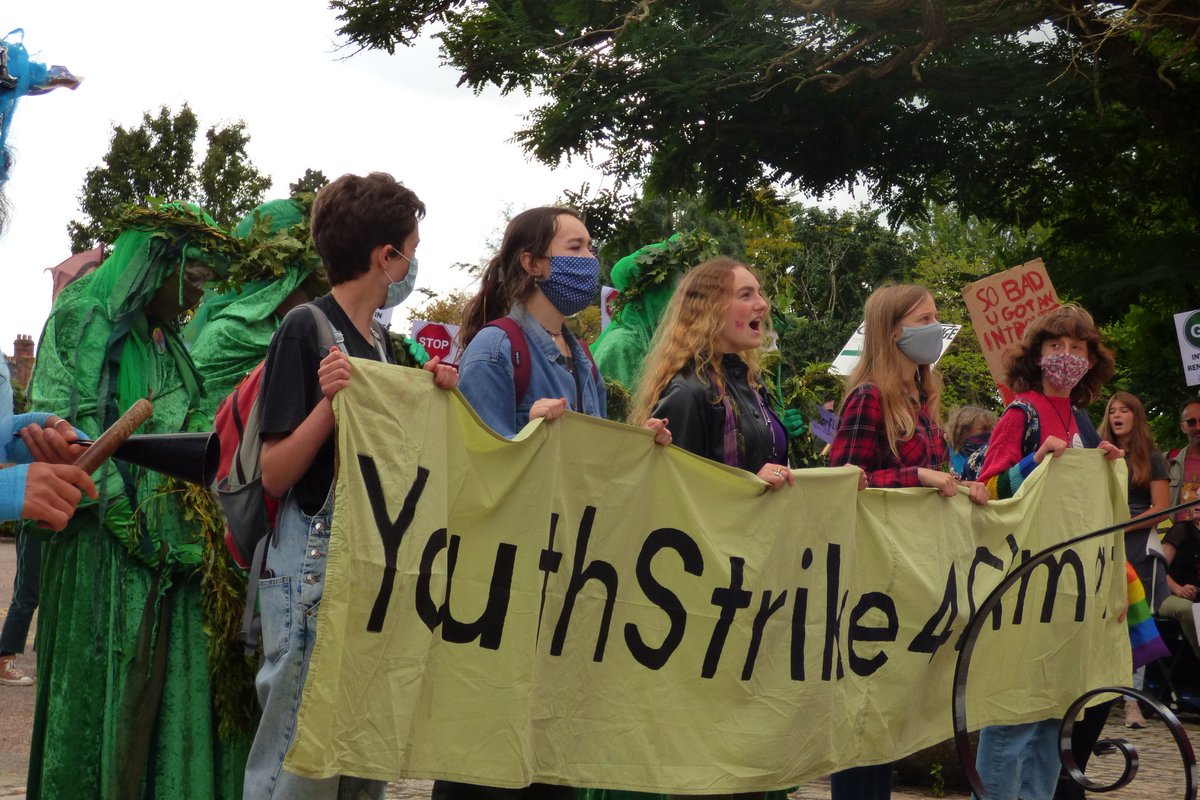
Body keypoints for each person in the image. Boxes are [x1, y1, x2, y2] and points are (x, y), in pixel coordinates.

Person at [243, 172, 455, 800]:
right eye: (410, 250)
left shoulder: (382, 345)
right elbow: (276, 471)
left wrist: (429, 394)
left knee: (358, 759)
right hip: (310, 574)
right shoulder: (304, 330)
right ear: (384, 257)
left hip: (365, 575)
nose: (413, 263)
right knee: (296, 764)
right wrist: (331, 403)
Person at [445, 205, 667, 800]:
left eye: (590, 247)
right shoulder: (495, 349)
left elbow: (592, 470)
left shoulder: (582, 357)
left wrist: (638, 447)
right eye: (575, 247)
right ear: (533, 262)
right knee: (487, 764)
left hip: (565, 590)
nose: (589, 260)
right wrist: (527, 438)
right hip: (504, 597)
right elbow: (473, 472)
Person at [26, 202, 245, 798]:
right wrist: (136, 530)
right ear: (158, 262)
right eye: (193, 279)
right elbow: (71, 428)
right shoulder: (83, 318)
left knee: (157, 709)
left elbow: (198, 415)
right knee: (105, 702)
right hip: (105, 555)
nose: (195, 298)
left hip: (165, 554)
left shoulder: (166, 338)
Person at [826, 283, 987, 800]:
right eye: (926, 317)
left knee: (888, 724)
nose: (936, 327)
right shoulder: (869, 394)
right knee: (863, 721)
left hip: (913, 575)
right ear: (893, 329)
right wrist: (916, 476)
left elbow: (933, 478)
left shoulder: (923, 398)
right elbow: (844, 480)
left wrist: (960, 488)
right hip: (874, 578)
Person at [973, 304, 1122, 800]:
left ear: (1090, 359)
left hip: (1070, 597)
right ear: (1036, 357)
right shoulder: (1022, 412)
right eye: (1055, 346)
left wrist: (1104, 469)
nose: (1066, 356)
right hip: (1026, 591)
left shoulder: (1083, 420)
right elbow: (988, 493)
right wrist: (1035, 460)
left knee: (1051, 724)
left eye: (1076, 348)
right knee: (1014, 717)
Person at [1098, 390, 1171, 728]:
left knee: (1134, 621)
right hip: (1101, 542)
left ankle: (1132, 703)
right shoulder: (1098, 453)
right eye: (1112, 410)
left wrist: (1125, 525)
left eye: (1124, 410)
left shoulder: (1153, 457)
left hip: (1137, 545)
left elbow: (1161, 508)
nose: (1117, 415)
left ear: (1136, 416)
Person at [1161, 396, 1200, 673]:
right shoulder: (1169, 462)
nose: (1199, 426)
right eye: (1192, 421)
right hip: (1176, 545)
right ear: (1183, 426)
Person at [945, 405, 996, 477]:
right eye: (984, 428)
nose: (989, 432)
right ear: (964, 430)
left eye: (991, 428)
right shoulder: (945, 454)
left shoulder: (990, 455)